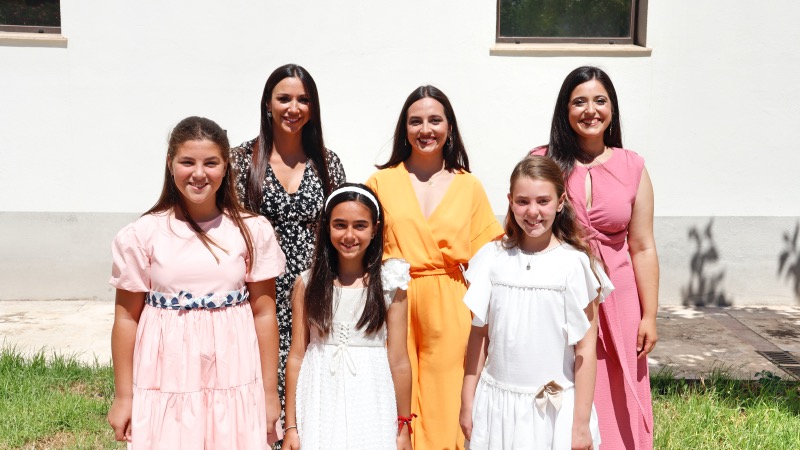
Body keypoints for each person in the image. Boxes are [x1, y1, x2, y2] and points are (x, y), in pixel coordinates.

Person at [107, 116, 286, 449]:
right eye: (187, 162)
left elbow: (264, 314)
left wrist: (268, 393)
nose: (199, 173)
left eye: (211, 163)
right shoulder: (143, 235)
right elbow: (126, 318)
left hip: (234, 372)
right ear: (170, 164)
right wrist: (124, 396)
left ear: (226, 166)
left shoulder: (251, 231)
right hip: (166, 376)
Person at [366, 85, 504, 450]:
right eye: (416, 121)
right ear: (404, 128)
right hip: (395, 302)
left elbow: (489, 259)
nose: (425, 129)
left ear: (449, 127)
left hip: (450, 305)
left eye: (434, 120)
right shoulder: (381, 182)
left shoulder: (468, 186)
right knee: (394, 403)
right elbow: (362, 247)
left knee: (447, 403)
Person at [531, 66, 659, 449]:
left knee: (618, 390)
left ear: (612, 109)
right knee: (557, 383)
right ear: (565, 110)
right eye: (579, 102)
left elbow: (643, 246)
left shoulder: (633, 166)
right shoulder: (543, 161)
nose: (590, 110)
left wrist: (650, 315)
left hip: (619, 299)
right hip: (559, 296)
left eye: (599, 100)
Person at [459, 155, 612, 449]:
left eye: (543, 201)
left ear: (560, 202)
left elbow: (585, 348)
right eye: (523, 201)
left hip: (553, 412)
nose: (533, 212)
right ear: (510, 201)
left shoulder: (575, 265)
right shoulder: (492, 259)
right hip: (497, 406)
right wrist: (468, 399)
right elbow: (479, 335)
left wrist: (580, 423)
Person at [230, 63, 347, 440]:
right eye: (284, 98)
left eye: (303, 100)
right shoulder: (240, 160)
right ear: (268, 103)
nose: (293, 108)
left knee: (310, 387)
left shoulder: (327, 163)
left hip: (312, 293)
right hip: (258, 295)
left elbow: (339, 229)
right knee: (259, 391)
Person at [282, 183, 414, 450]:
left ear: (375, 229)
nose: (349, 235)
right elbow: (296, 355)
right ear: (326, 226)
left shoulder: (391, 284)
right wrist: (291, 427)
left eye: (360, 226)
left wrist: (403, 427)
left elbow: (399, 360)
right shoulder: (307, 284)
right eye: (340, 225)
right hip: (319, 399)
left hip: (371, 398)